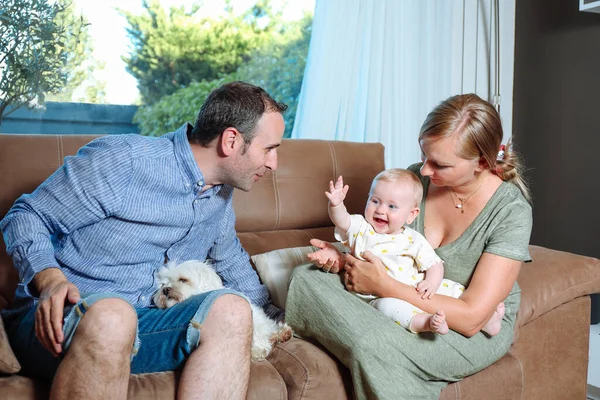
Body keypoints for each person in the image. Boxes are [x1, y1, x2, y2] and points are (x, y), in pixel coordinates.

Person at [0, 81, 287, 400]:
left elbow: (231, 263)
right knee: (114, 315)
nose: (274, 163)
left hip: (150, 326)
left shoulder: (220, 195)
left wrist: (285, 320)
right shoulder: (124, 160)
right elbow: (26, 215)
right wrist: (50, 279)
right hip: (63, 323)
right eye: (270, 149)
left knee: (233, 309)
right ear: (231, 140)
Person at [285, 93, 532, 399]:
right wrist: (344, 258)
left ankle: (382, 349)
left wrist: (384, 286)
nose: (424, 170)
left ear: (481, 161)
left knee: (372, 346)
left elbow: (471, 319)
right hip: (403, 295)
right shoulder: (415, 180)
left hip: (465, 323)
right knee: (306, 277)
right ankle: (390, 352)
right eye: (424, 155)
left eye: (439, 164)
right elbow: (384, 246)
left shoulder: (511, 212)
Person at [309, 169, 505, 336]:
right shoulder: (361, 227)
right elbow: (342, 220)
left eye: (392, 206)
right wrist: (336, 204)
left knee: (450, 288)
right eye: (375, 201)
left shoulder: (413, 239)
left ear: (411, 215)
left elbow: (434, 264)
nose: (380, 210)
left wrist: (431, 283)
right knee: (387, 308)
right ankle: (425, 323)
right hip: (378, 295)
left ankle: (487, 320)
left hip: (415, 287)